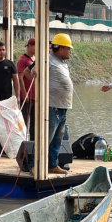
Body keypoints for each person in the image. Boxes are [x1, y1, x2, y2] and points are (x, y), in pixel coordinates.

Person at [46, 32, 74, 176]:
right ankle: (34, 165)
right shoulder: (47, 60)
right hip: (52, 105)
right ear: (61, 48)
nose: (70, 51)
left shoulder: (62, 63)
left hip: (63, 106)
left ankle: (52, 165)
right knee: (47, 137)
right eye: (68, 48)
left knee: (58, 138)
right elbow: (29, 72)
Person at [17, 37, 36, 136]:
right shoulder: (23, 60)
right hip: (27, 96)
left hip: (35, 95)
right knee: (25, 120)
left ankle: (33, 143)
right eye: (36, 46)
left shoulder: (35, 59)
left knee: (35, 122)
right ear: (30, 46)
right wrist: (24, 93)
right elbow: (20, 77)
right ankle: (23, 143)